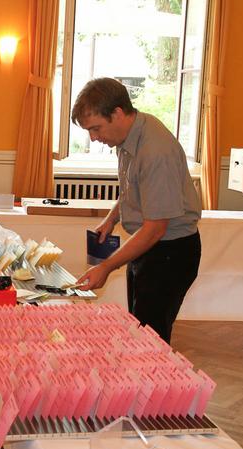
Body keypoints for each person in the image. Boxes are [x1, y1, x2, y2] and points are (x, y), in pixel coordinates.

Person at [72, 77, 201, 344]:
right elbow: (133, 190)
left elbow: (155, 228)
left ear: (118, 113)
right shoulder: (129, 136)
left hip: (169, 254)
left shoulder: (155, 151)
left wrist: (106, 267)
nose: (93, 138)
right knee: (140, 329)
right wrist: (112, 219)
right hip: (150, 247)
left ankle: (155, 372)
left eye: (96, 128)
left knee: (150, 339)